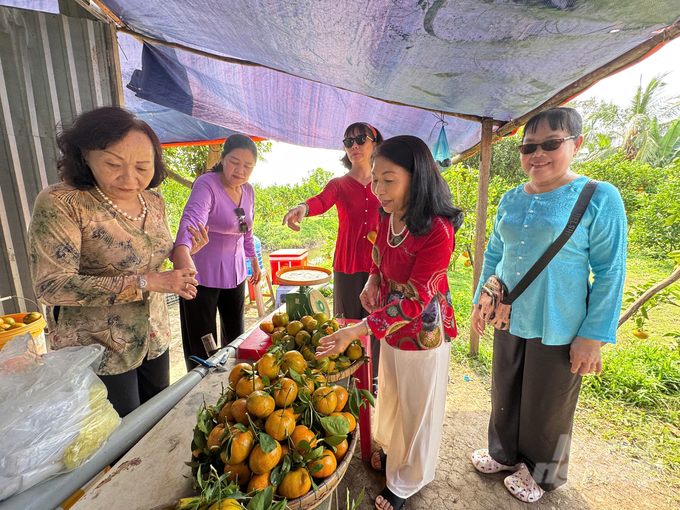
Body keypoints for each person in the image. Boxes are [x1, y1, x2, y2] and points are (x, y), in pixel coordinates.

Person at [469, 107, 627, 503]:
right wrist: (479, 303)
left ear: (577, 144)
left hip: (560, 322)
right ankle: (504, 455)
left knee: (550, 403)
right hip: (508, 314)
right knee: (505, 388)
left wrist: (592, 336)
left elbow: (610, 271)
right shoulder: (511, 197)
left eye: (551, 143)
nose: (537, 154)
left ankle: (544, 475)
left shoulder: (598, 196)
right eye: (528, 146)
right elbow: (494, 254)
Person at [315, 135, 463, 510]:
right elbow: (379, 254)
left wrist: (358, 328)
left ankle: (408, 479)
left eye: (388, 179)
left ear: (417, 177)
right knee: (393, 391)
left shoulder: (438, 230)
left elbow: (416, 299)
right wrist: (373, 280)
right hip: (389, 321)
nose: (378, 189)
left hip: (421, 329)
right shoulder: (389, 214)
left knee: (417, 405)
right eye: (375, 180)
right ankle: (391, 450)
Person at [28, 106, 206, 417]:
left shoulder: (153, 200)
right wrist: (146, 283)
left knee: (155, 424)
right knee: (118, 446)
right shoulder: (64, 203)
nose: (129, 178)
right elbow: (51, 285)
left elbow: (153, 255)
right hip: (99, 350)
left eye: (142, 167)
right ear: (85, 155)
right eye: (113, 164)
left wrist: (183, 253)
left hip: (154, 338)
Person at [282, 122, 384, 388]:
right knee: (346, 322)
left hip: (381, 267)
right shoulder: (339, 184)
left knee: (376, 323)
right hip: (347, 266)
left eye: (361, 139)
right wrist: (303, 207)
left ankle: (374, 379)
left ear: (375, 143)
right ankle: (347, 381)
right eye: (348, 142)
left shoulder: (384, 180)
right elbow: (321, 200)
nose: (355, 146)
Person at [173, 134, 261, 370]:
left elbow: (246, 229)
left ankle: (234, 380)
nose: (240, 170)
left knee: (235, 335)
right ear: (223, 159)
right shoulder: (208, 184)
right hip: (202, 274)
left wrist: (254, 261)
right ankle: (200, 391)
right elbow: (192, 218)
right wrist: (182, 252)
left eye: (247, 165)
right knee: (202, 342)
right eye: (234, 161)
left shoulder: (248, 191)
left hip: (235, 275)